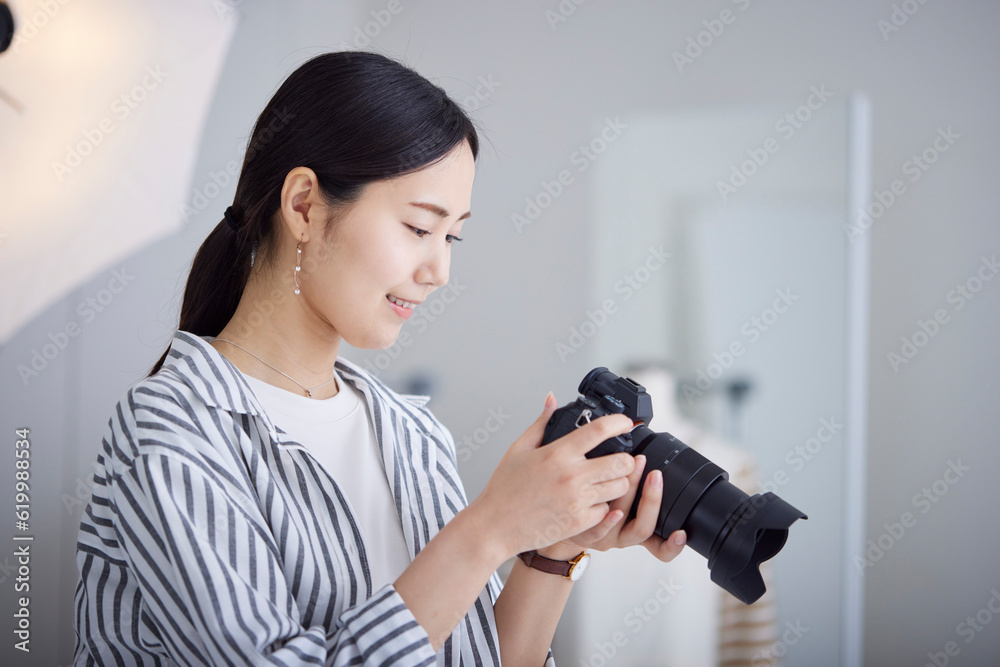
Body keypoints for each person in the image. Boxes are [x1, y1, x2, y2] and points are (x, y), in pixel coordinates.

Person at [73, 51, 687, 666]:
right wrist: (490, 527)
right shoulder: (172, 425)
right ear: (304, 206)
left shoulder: (411, 432)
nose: (440, 270)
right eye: (419, 228)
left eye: (452, 236)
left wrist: (550, 548)